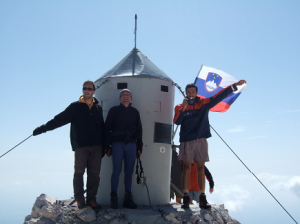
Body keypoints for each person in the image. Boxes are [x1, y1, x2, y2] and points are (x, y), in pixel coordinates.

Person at [173, 80, 246, 209]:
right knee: (186, 168)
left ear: (196, 93)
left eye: (193, 92)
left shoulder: (204, 103)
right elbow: (177, 122)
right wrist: (184, 109)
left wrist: (233, 86)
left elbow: (219, 97)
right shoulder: (179, 106)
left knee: (201, 169)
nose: (190, 94)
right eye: (188, 92)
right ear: (185, 93)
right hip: (186, 140)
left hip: (201, 140)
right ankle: (185, 196)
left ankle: (202, 197)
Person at [32, 80, 104, 210]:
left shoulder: (98, 107)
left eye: (89, 88)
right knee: (79, 173)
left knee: (94, 174)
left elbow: (102, 127)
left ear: (94, 91)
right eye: (84, 88)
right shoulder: (75, 106)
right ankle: (80, 200)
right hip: (81, 145)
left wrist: (104, 145)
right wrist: (43, 128)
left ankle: (92, 199)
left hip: (97, 146)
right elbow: (59, 119)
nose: (86, 90)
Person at [104, 89, 143, 209]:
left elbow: (139, 130)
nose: (126, 96)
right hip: (116, 143)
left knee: (129, 172)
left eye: (128, 95)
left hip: (131, 144)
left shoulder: (135, 112)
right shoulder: (113, 110)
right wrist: (106, 146)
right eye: (123, 95)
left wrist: (139, 146)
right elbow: (106, 129)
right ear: (119, 98)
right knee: (116, 170)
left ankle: (128, 198)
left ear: (131, 98)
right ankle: (113, 198)